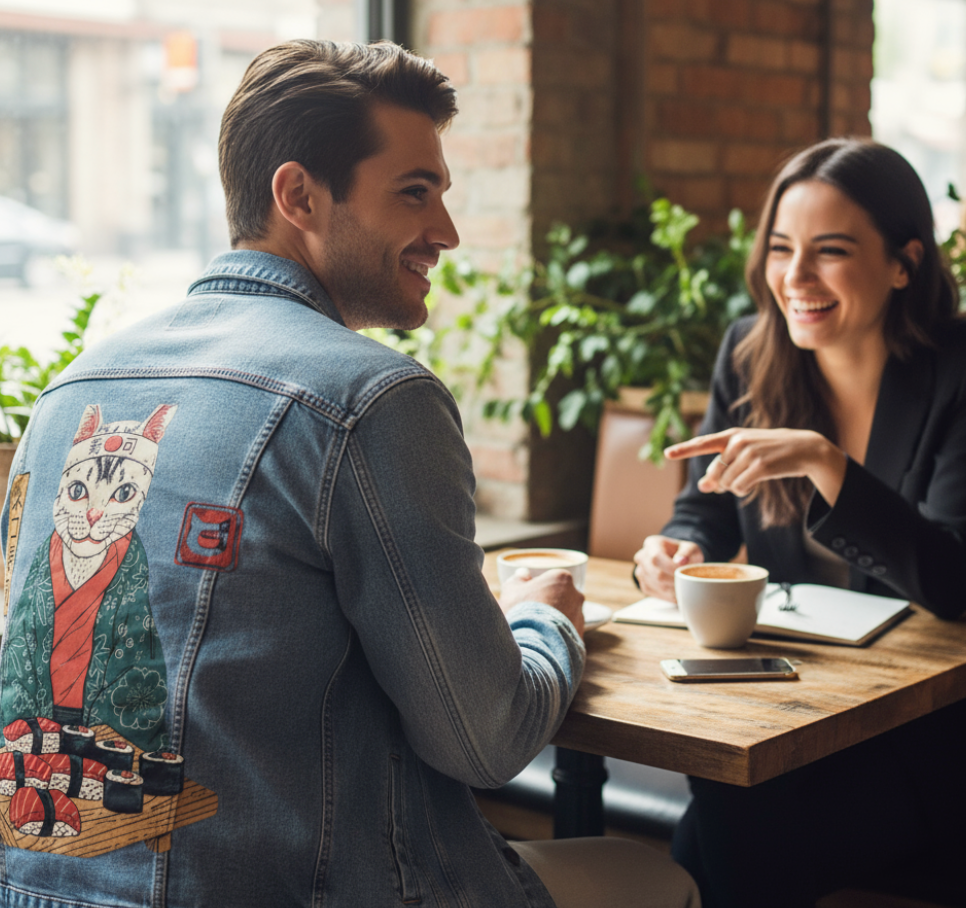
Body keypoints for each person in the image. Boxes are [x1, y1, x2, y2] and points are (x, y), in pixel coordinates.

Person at [0, 40, 699, 908]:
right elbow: (485, 743)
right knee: (659, 874)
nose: (444, 231)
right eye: (415, 192)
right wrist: (545, 625)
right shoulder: (370, 398)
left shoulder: (75, 390)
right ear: (297, 195)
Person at [634, 137, 966, 908]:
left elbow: (952, 579)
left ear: (903, 263)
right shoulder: (751, 355)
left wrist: (826, 462)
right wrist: (679, 548)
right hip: (791, 712)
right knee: (718, 821)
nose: (795, 278)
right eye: (782, 248)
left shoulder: (957, 370)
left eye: (831, 251)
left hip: (923, 736)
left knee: (720, 833)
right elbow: (705, 506)